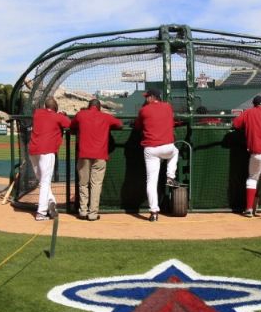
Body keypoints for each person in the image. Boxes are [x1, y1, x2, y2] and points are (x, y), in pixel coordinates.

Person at [70, 98, 123, 221]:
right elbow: (120, 124)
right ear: (99, 107)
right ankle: (93, 213)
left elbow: (71, 125)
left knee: (83, 184)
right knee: (96, 185)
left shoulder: (81, 115)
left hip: (83, 154)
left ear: (89, 106)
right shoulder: (106, 116)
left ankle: (83, 211)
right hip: (100, 155)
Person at [133, 88, 181, 222]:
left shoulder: (143, 110)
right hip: (167, 147)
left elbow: (137, 126)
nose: (145, 98)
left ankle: (154, 212)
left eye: (147, 96)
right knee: (175, 152)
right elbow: (171, 121)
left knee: (151, 181)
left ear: (152, 97)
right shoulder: (167, 107)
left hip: (151, 149)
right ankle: (170, 176)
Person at [28, 96, 71, 221]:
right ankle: (41, 213)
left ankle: (51, 200)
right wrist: (63, 115)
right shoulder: (58, 116)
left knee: (42, 181)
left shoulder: (37, 113)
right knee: (45, 182)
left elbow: (43, 112)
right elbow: (68, 124)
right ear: (55, 108)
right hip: (46, 151)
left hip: (33, 150)